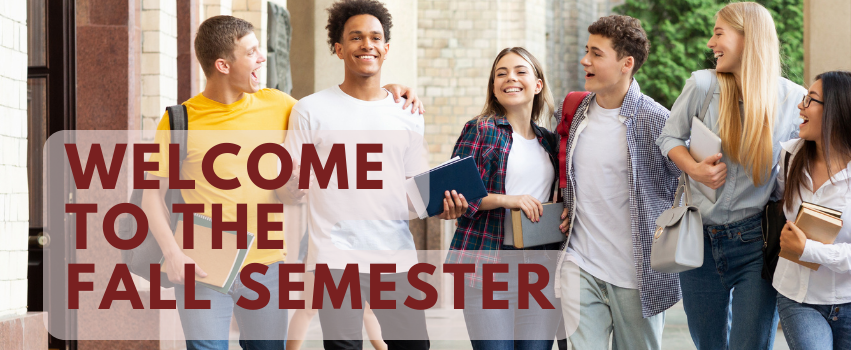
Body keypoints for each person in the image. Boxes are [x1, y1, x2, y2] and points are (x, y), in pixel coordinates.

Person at [142, 14, 422, 350]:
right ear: (223, 65)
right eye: (252, 52)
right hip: (202, 266)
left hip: (267, 267)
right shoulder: (179, 120)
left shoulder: (280, 106)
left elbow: (341, 108)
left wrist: (388, 91)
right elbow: (152, 195)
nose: (263, 58)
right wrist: (173, 255)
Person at [654, 3, 851, 349]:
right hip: (698, 240)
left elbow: (840, 128)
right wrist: (695, 170)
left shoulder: (794, 98)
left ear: (747, 39)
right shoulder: (702, 85)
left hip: (755, 242)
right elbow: (669, 138)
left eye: (719, 33)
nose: (710, 43)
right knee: (708, 343)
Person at [280, 1, 470, 349]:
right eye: (355, 37)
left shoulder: (408, 112)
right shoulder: (310, 110)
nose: (366, 44)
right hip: (334, 259)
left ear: (385, 48)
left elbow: (414, 197)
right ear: (338, 48)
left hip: (395, 255)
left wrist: (444, 206)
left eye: (375, 37)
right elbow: (290, 185)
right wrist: (291, 189)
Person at [554, 15, 682, 350]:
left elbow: (689, 186)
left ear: (626, 63)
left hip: (638, 276)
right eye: (586, 50)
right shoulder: (572, 111)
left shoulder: (658, 121)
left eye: (596, 53)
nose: (585, 60)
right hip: (579, 263)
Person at [447, 47, 562, 350]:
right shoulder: (481, 129)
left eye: (520, 71)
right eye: (501, 73)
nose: (510, 78)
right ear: (494, 88)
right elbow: (458, 195)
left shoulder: (549, 141)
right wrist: (507, 199)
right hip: (489, 265)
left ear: (537, 85)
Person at [773, 71, 851, 350]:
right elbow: (775, 197)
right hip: (798, 295)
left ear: (838, 112)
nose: (800, 106)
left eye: (810, 100)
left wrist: (807, 250)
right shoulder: (789, 155)